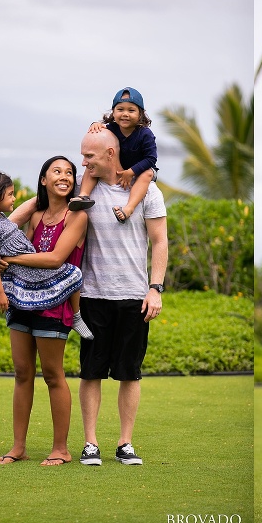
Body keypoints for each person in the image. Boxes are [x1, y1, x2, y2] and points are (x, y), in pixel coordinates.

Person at [0, 156, 90, 466]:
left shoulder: (77, 217)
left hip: (55, 303)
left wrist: (10, 260)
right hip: (22, 300)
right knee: (22, 373)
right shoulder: (36, 216)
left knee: (53, 375)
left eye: (70, 173)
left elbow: (56, 258)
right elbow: (5, 229)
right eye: (56, 172)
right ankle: (18, 447)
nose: (65, 176)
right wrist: (38, 198)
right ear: (43, 179)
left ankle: (61, 449)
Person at [75, 128, 168, 466]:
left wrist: (155, 288)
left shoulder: (148, 190)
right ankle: (90, 443)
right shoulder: (82, 190)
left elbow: (160, 241)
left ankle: (125, 443)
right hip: (91, 296)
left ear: (111, 154)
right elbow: (43, 205)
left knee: (130, 373)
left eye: (89, 156)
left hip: (134, 297)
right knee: (91, 372)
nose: (83, 162)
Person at [0, 171, 93, 340]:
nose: (14, 198)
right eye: (10, 194)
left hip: (27, 264)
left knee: (74, 274)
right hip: (24, 270)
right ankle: (76, 316)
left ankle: (75, 316)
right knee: (74, 273)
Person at [69, 87, 158, 224]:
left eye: (131, 110)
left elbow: (151, 159)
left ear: (140, 114)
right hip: (120, 167)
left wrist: (132, 171)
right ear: (113, 112)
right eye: (120, 109)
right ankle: (83, 196)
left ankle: (129, 208)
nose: (125, 114)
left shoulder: (145, 134)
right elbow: (101, 134)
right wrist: (95, 124)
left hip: (142, 168)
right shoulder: (112, 128)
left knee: (147, 174)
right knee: (92, 164)